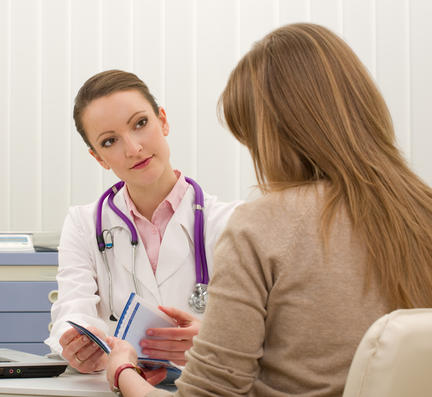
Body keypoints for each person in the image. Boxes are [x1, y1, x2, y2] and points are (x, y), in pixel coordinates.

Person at [105, 23, 432, 397]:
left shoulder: (260, 227)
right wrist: (217, 343)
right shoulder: (423, 211)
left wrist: (123, 370)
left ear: (272, 134)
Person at [44, 70, 243, 374]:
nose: (133, 148)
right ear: (98, 157)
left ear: (163, 120)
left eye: (140, 124)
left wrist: (212, 341)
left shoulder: (229, 222)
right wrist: (78, 345)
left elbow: (263, 331)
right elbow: (72, 311)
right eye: (110, 141)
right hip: (118, 386)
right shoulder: (83, 224)